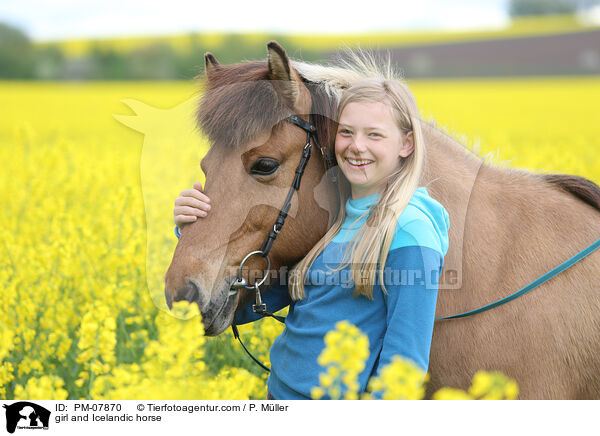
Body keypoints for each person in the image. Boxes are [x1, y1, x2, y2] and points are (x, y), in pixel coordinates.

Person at [173, 77, 450, 400]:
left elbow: (406, 365)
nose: (357, 145)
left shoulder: (409, 228)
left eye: (374, 134)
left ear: (406, 144)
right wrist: (192, 228)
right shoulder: (333, 217)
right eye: (346, 132)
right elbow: (251, 306)